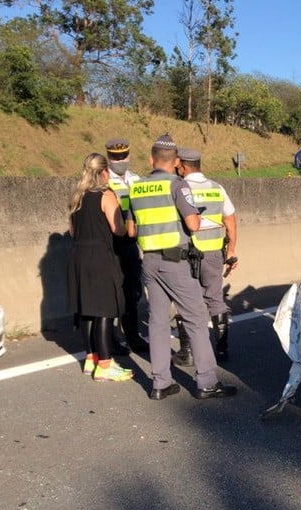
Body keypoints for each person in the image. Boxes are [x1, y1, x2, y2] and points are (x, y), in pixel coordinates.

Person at [127, 133, 237, 400]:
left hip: (149, 261)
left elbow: (130, 231)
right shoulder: (178, 185)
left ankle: (160, 383)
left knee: (157, 321)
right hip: (175, 261)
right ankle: (207, 382)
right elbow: (193, 224)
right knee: (196, 319)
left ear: (151, 160)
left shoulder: (137, 187)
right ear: (176, 161)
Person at [66, 153, 133, 382]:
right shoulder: (106, 195)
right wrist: (128, 221)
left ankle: (91, 358)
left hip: (79, 257)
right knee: (105, 310)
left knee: (87, 310)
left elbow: (72, 232)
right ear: (104, 172)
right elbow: (118, 229)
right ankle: (105, 365)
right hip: (100, 257)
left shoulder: (77, 197)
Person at [173, 147, 238, 363]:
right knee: (215, 299)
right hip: (213, 253)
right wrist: (231, 251)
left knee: (186, 300)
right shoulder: (217, 188)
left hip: (186, 254)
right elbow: (230, 221)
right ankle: (222, 350)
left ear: (182, 167)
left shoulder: (178, 188)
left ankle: (188, 352)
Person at [104, 138, 150, 354]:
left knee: (132, 290)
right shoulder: (104, 180)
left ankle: (132, 335)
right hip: (111, 243)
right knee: (113, 291)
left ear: (129, 155)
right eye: (115, 157)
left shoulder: (136, 180)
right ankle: (110, 337)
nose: (120, 160)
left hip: (132, 242)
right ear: (108, 157)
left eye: (123, 156)